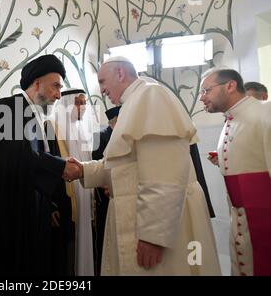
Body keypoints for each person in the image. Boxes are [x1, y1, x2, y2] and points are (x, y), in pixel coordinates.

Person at [68, 56, 221, 275]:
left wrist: (153, 236)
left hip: (159, 227)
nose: (101, 90)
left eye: (102, 81)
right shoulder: (134, 102)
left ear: (120, 73)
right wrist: (82, 170)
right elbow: (124, 165)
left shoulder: (151, 95)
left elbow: (165, 172)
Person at [0, 54, 81, 276]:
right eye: (55, 86)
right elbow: (17, 156)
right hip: (2, 217)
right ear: (37, 83)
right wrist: (59, 167)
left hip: (24, 213)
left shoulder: (33, 115)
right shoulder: (8, 108)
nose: (59, 94)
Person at [200, 68, 271, 276]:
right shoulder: (229, 121)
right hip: (240, 219)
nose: (202, 98)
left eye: (206, 91)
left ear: (230, 86)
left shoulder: (265, 113)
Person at [52, 88, 95, 276]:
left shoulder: (82, 131)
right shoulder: (51, 128)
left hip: (83, 199)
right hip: (63, 204)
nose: (83, 107)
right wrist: (50, 205)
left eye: (84, 103)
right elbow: (47, 168)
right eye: (78, 102)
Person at [92, 105, 120, 275]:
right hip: (104, 196)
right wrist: (106, 185)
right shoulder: (101, 136)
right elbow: (97, 164)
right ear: (114, 122)